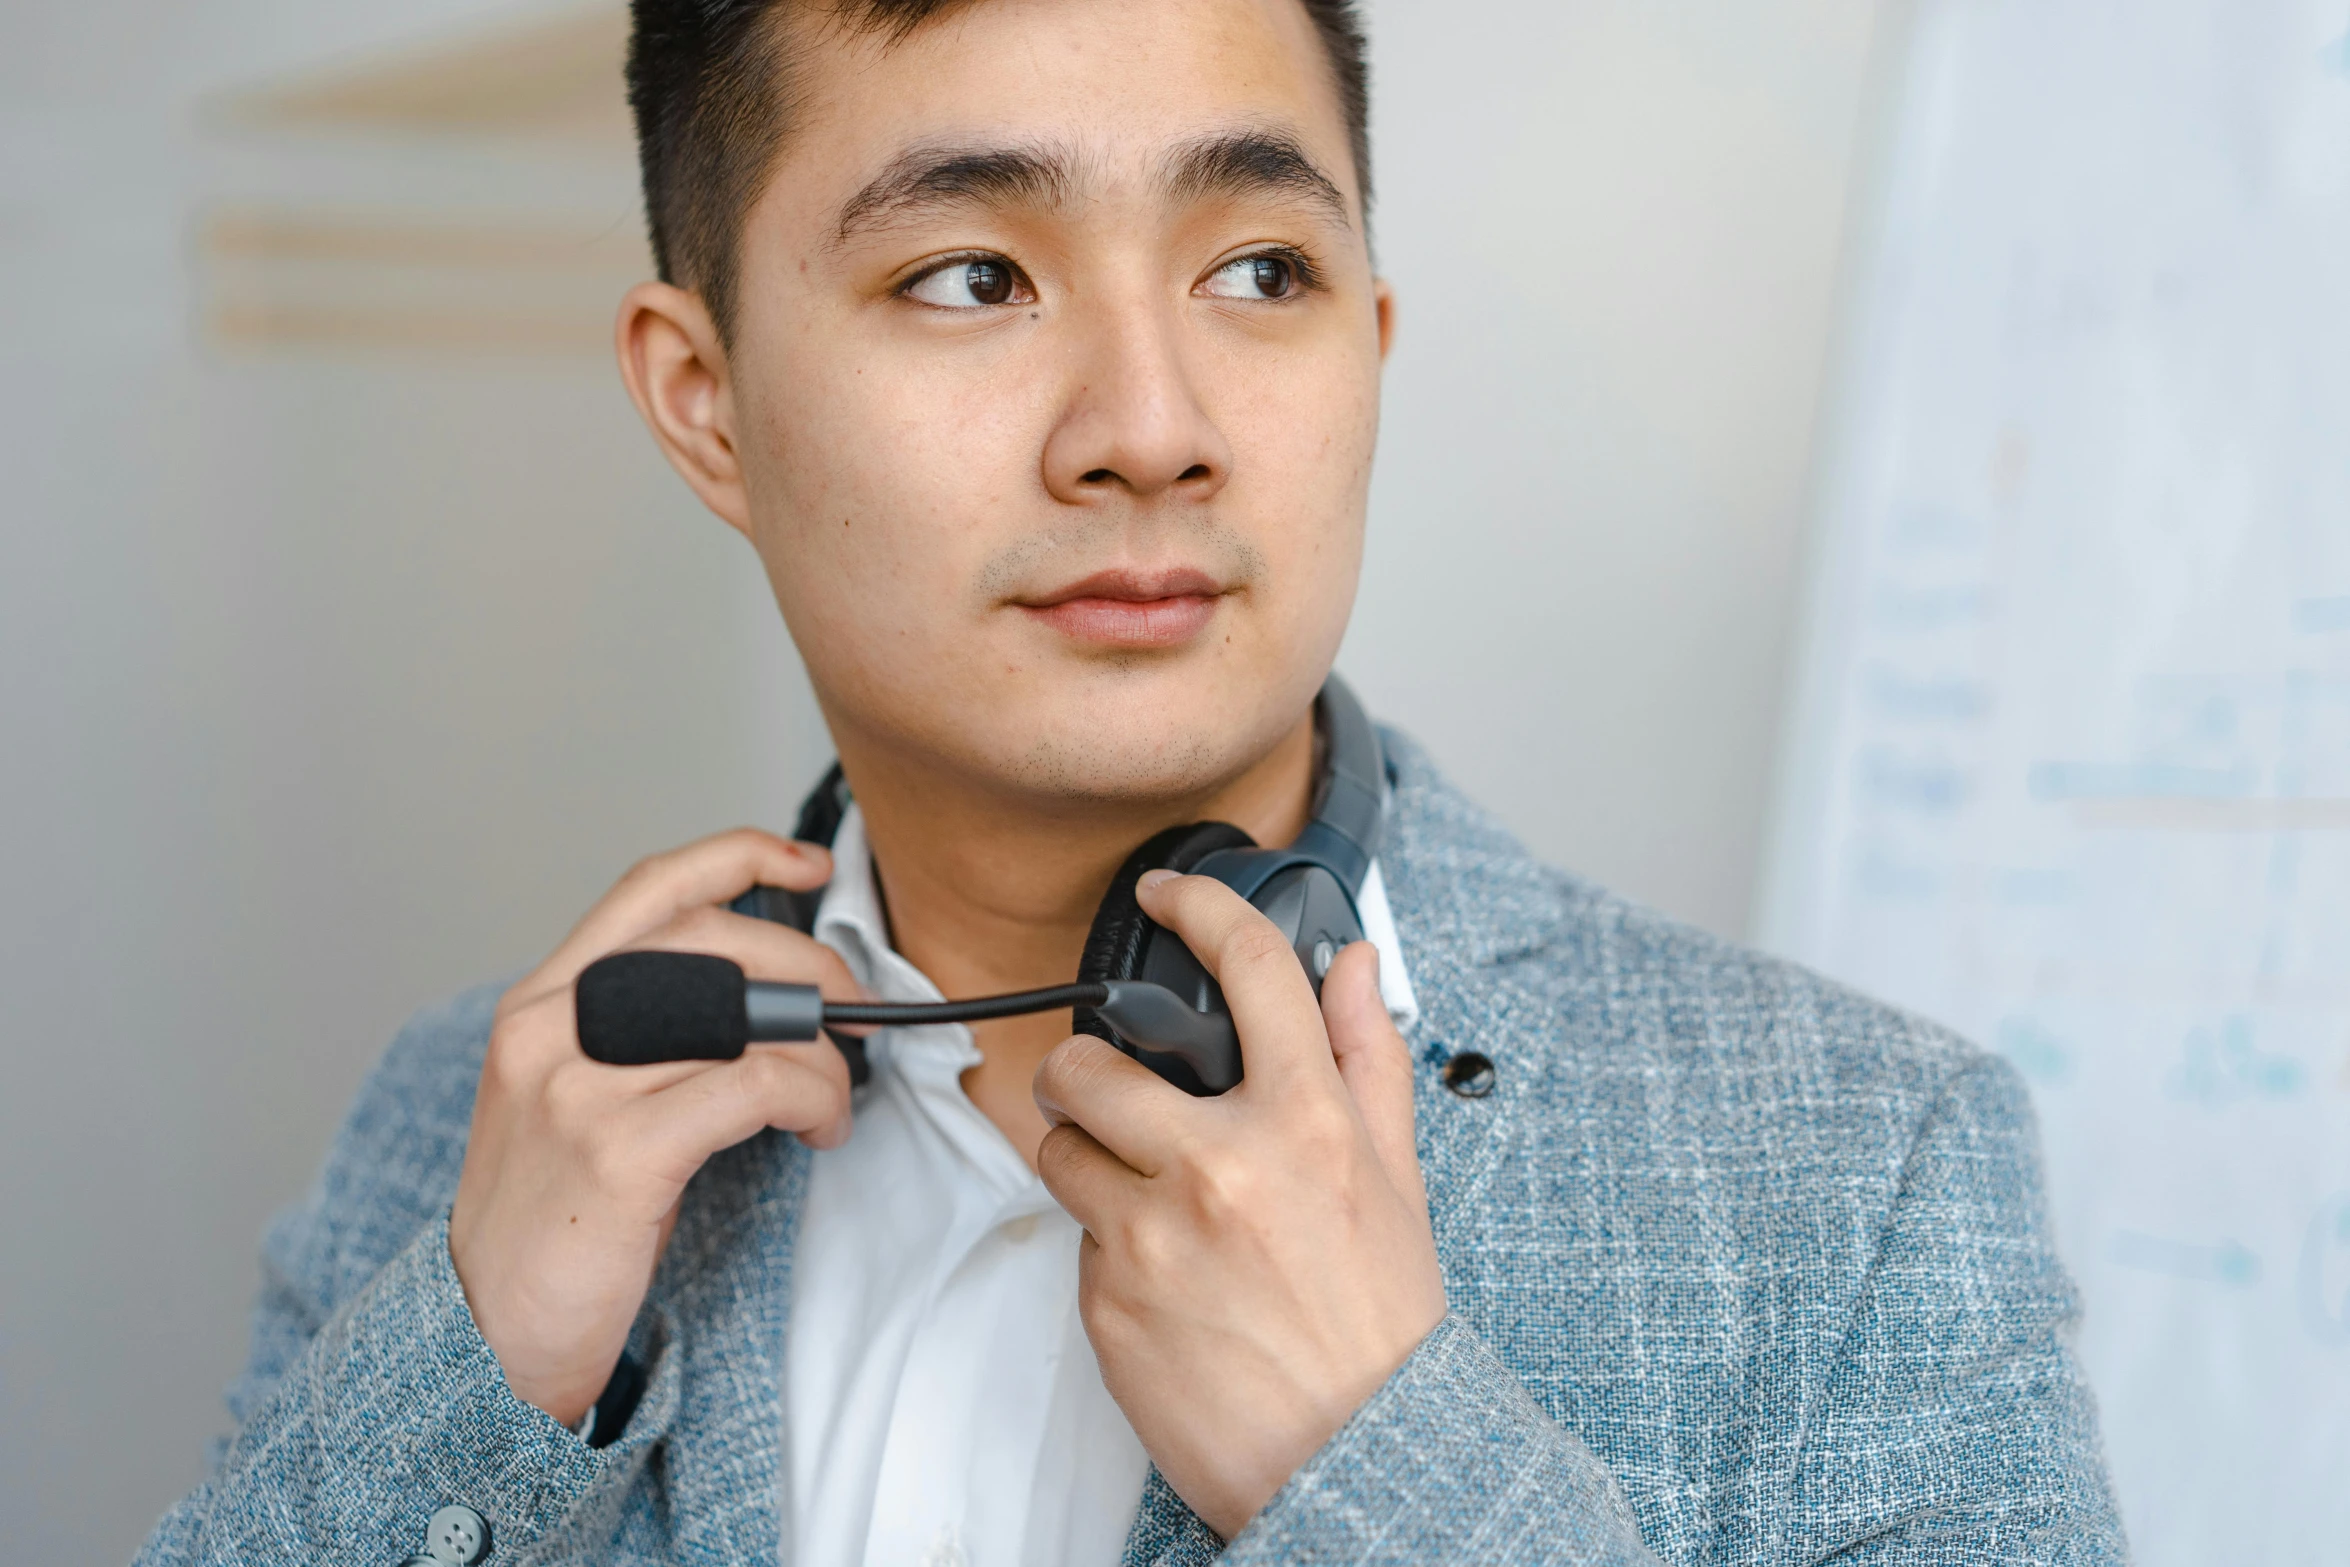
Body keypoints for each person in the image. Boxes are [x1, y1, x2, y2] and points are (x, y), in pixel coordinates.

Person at [137, 0, 2128, 1561]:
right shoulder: (460, 1136)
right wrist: (466, 1372)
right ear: (705, 403)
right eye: (968, 278)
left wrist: (1384, 1474)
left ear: (1369, 336)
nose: (1150, 430)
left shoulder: (1860, 1176)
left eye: (1256, 270)